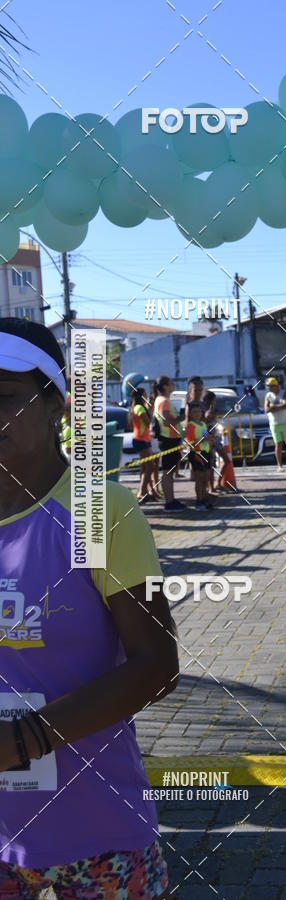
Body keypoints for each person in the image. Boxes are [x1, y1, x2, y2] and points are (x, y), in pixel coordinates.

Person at [0, 318, 179, 898]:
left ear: (57, 403)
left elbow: (156, 663)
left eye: (4, 397)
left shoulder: (96, 510)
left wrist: (26, 739)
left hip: (96, 833)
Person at [153, 375, 185, 512]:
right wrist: (181, 418)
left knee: (170, 472)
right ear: (165, 385)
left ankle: (171, 499)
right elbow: (166, 421)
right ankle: (169, 502)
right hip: (168, 439)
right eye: (171, 383)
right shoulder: (164, 401)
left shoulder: (161, 400)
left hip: (169, 439)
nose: (173, 385)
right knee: (168, 472)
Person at [263, 376, 286, 473]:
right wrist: (276, 407)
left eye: (270, 386)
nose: (268, 388)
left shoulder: (283, 393)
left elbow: (285, 405)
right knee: (278, 445)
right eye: (267, 386)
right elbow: (266, 409)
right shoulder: (268, 395)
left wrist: (273, 406)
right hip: (274, 424)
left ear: (275, 386)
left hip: (285, 422)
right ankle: (279, 466)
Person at [129, 386, 156, 504]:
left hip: (144, 439)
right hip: (141, 439)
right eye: (145, 394)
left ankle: (145, 491)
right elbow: (148, 422)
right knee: (150, 466)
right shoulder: (139, 408)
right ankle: (142, 491)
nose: (146, 397)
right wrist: (150, 412)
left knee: (145, 467)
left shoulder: (138, 407)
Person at [185, 403, 215, 511]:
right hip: (197, 453)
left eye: (199, 411)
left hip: (205, 452)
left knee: (206, 478)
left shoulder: (203, 424)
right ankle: (199, 501)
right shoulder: (190, 425)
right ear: (191, 414)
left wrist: (210, 443)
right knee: (199, 478)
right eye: (194, 412)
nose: (197, 414)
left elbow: (205, 437)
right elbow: (191, 442)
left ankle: (204, 498)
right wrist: (204, 441)